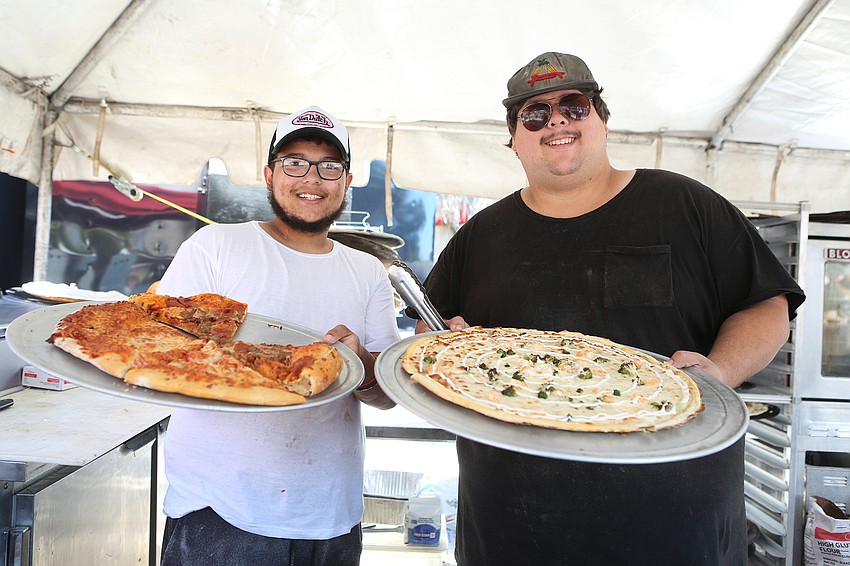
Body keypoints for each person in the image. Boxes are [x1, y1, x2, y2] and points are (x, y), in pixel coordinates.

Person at [412, 52, 805, 566]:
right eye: (533, 114)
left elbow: (768, 304)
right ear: (513, 139)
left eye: (574, 106)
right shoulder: (479, 237)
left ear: (601, 119)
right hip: (512, 527)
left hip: (676, 524)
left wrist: (721, 371)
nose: (555, 120)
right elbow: (431, 332)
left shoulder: (686, 204)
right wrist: (444, 344)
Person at [157, 105, 400, 566]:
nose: (312, 178)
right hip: (221, 512)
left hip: (331, 516)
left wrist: (362, 367)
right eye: (295, 163)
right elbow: (162, 354)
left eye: (330, 166)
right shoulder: (215, 247)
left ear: (347, 182)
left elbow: (387, 395)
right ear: (269, 174)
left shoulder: (368, 270)